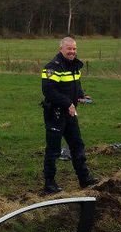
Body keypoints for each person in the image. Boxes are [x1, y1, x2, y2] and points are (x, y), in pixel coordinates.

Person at [41, 37, 98, 194]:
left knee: (77, 145)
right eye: (69, 49)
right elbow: (49, 91)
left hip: (70, 113)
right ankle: (49, 184)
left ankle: (84, 178)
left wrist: (81, 96)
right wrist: (68, 104)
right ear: (61, 49)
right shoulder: (52, 67)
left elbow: (75, 85)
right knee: (53, 150)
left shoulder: (75, 67)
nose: (72, 51)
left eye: (74, 49)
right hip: (55, 113)